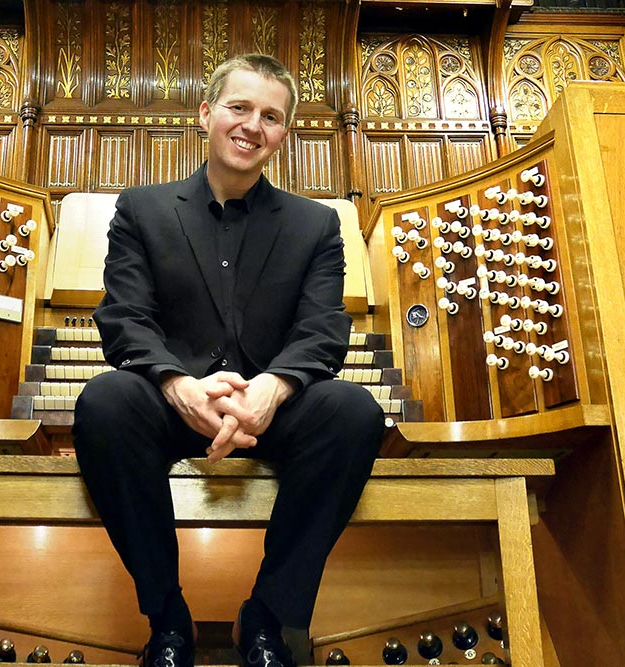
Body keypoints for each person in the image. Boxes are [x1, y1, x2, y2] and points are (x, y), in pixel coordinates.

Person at [73, 53, 385, 667]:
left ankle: (266, 617)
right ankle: (167, 619)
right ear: (206, 114)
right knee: (105, 402)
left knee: (353, 412)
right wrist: (178, 384)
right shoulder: (142, 210)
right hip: (174, 402)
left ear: (284, 135)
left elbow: (323, 326)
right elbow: (125, 316)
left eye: (271, 116)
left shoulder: (316, 225)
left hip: (273, 407)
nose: (252, 125)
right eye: (239, 107)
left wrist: (271, 388)